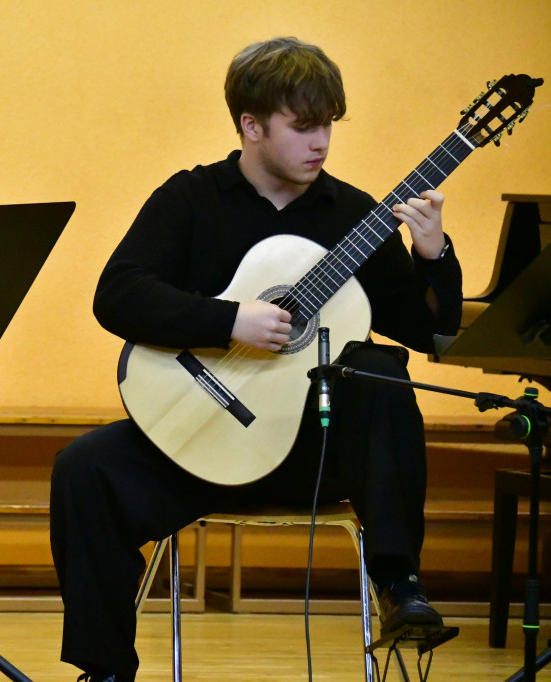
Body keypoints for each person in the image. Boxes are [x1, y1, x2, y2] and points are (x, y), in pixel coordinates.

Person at [50, 37, 463, 682]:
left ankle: (400, 585)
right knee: (85, 467)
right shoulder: (190, 199)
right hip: (204, 446)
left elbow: (426, 334)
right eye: (303, 127)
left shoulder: (354, 215)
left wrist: (433, 254)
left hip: (314, 453)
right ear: (251, 125)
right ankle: (104, 669)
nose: (320, 142)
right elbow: (118, 294)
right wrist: (228, 321)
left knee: (382, 374)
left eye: (326, 124)